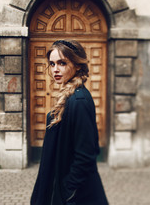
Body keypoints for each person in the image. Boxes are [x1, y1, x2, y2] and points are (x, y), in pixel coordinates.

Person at [30, 40, 108, 205]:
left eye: (62, 63)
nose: (55, 69)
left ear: (78, 65)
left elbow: (86, 154)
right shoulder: (71, 96)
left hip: (76, 197)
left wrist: (68, 192)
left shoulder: (79, 100)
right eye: (52, 64)